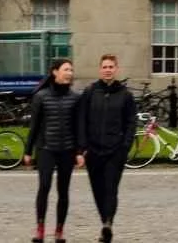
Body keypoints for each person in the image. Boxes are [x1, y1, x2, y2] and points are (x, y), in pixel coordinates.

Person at [75, 54, 135, 243]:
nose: (108, 70)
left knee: (111, 189)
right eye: (105, 67)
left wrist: (124, 146)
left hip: (115, 151)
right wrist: (81, 147)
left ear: (116, 69)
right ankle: (105, 223)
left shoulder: (125, 95)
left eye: (111, 67)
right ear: (100, 69)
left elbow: (131, 123)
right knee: (98, 190)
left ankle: (108, 222)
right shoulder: (90, 92)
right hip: (93, 151)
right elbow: (81, 120)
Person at [26, 58, 83, 243]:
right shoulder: (41, 96)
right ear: (55, 72)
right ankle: (40, 228)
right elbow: (34, 126)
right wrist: (28, 151)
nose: (70, 73)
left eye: (71, 70)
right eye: (66, 69)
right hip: (46, 149)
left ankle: (59, 230)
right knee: (44, 187)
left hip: (67, 150)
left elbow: (78, 127)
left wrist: (80, 152)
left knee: (63, 191)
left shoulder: (75, 98)